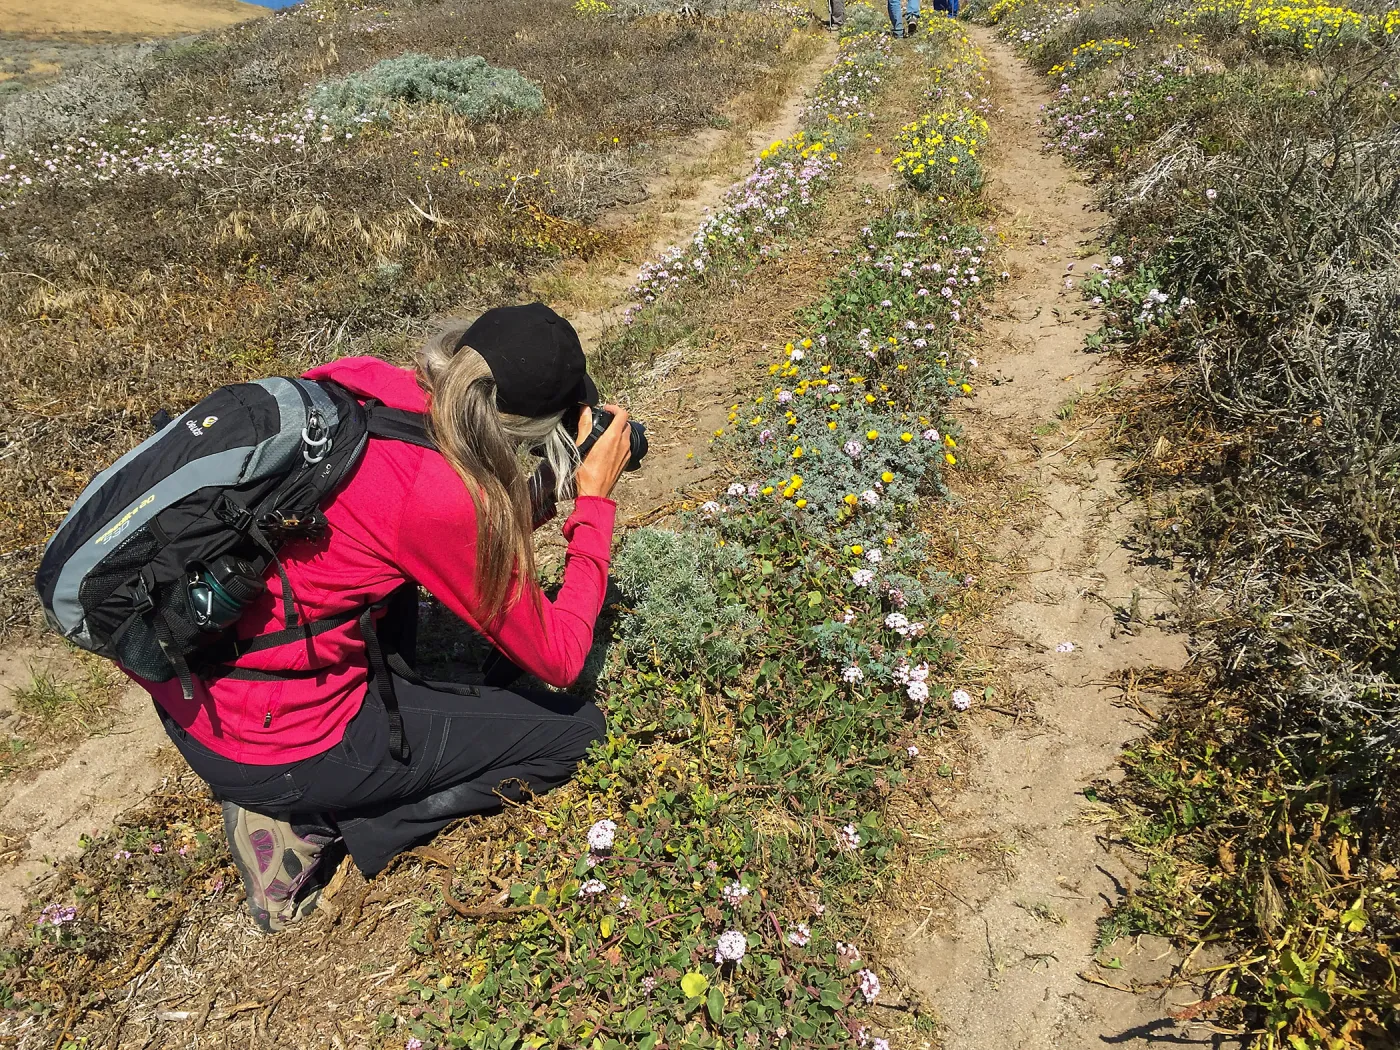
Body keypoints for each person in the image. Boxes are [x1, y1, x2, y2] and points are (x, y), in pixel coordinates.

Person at [135, 304, 636, 932]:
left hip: (192, 686)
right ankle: (322, 823)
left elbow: (398, 522)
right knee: (575, 734)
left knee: (388, 585)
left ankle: (321, 774)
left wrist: (528, 501)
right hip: (276, 748)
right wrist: (592, 502)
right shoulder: (438, 497)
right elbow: (560, 660)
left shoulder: (363, 382)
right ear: (528, 433)